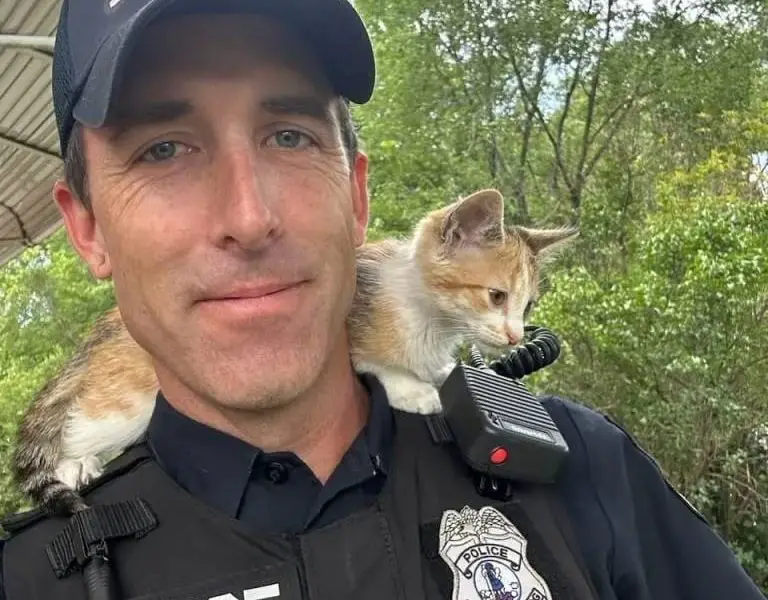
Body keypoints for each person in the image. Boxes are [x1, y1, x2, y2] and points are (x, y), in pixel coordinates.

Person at [0, 0, 765, 599]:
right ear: (89, 229)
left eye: (290, 136)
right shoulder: (33, 575)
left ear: (359, 196)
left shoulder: (584, 471)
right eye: (162, 149)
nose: (249, 217)